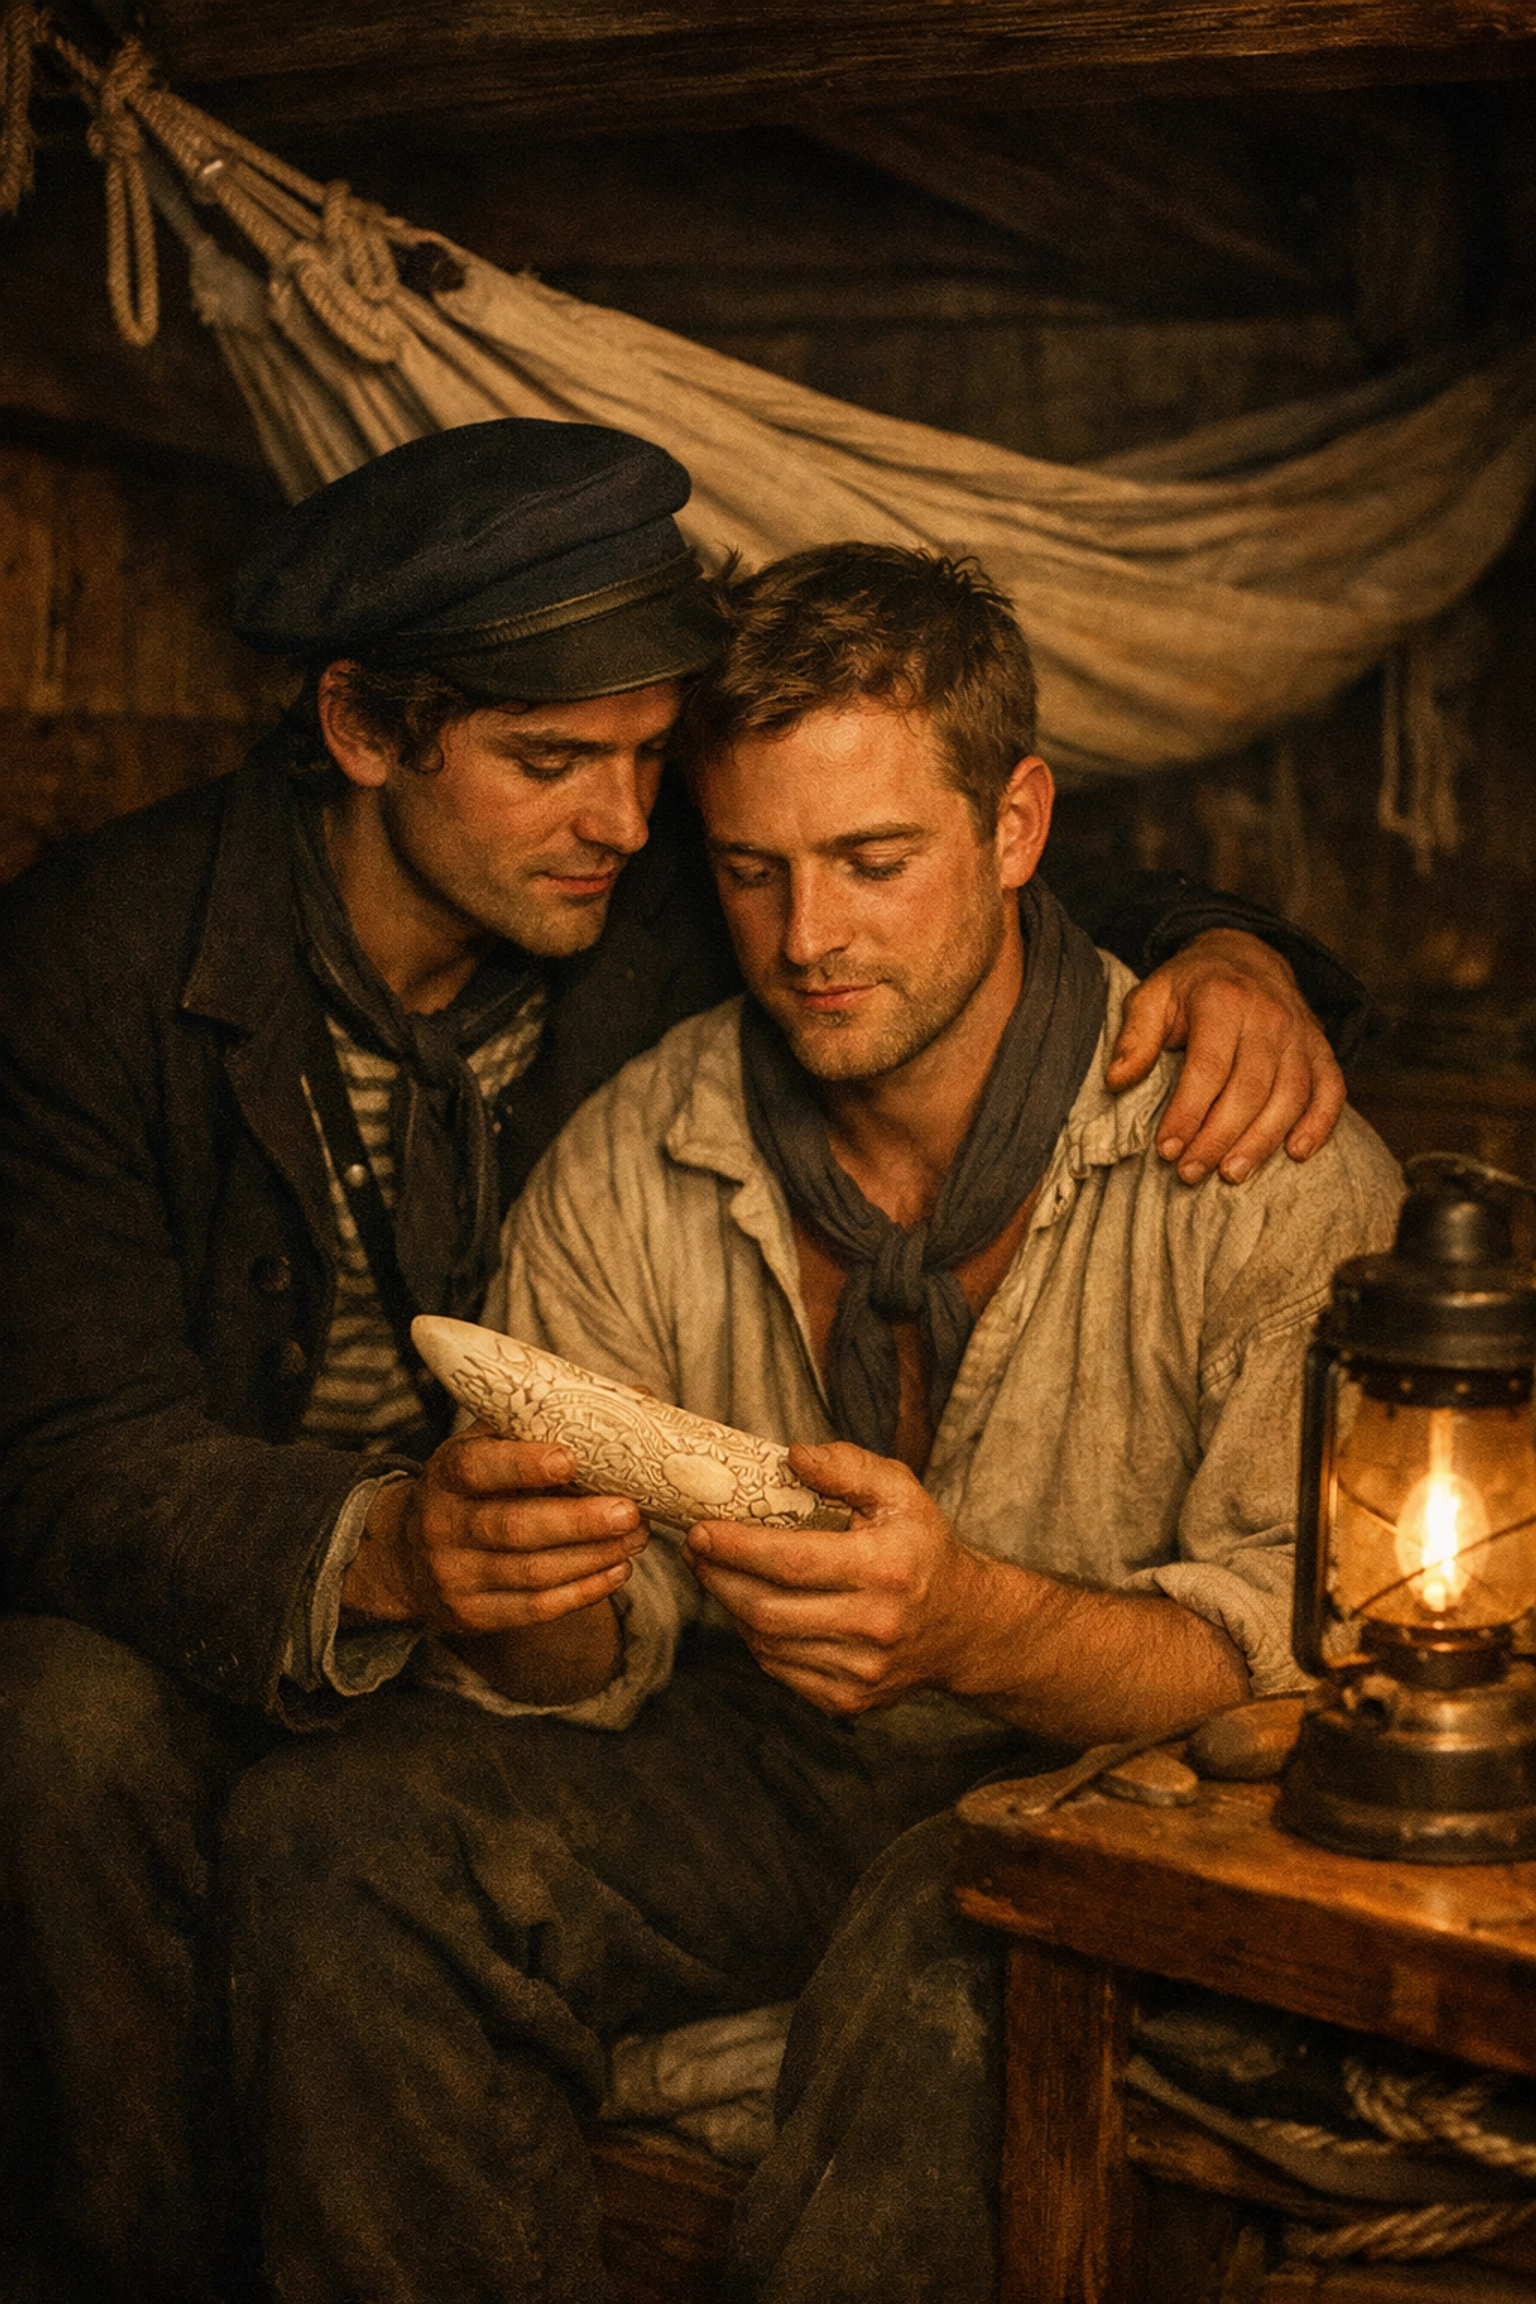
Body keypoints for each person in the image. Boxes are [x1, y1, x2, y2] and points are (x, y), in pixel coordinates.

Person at [0, 424, 1361, 2304]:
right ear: (366, 731)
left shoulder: (688, 888)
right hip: (315, 1604)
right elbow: (74, 1449)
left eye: (648, 767)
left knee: (950, 1924)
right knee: (117, 1751)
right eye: (558, 765)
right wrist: (430, 1564)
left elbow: (951, 855)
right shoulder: (105, 960)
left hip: (1055, 1747)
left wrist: (1240, 953)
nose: (789, 927)